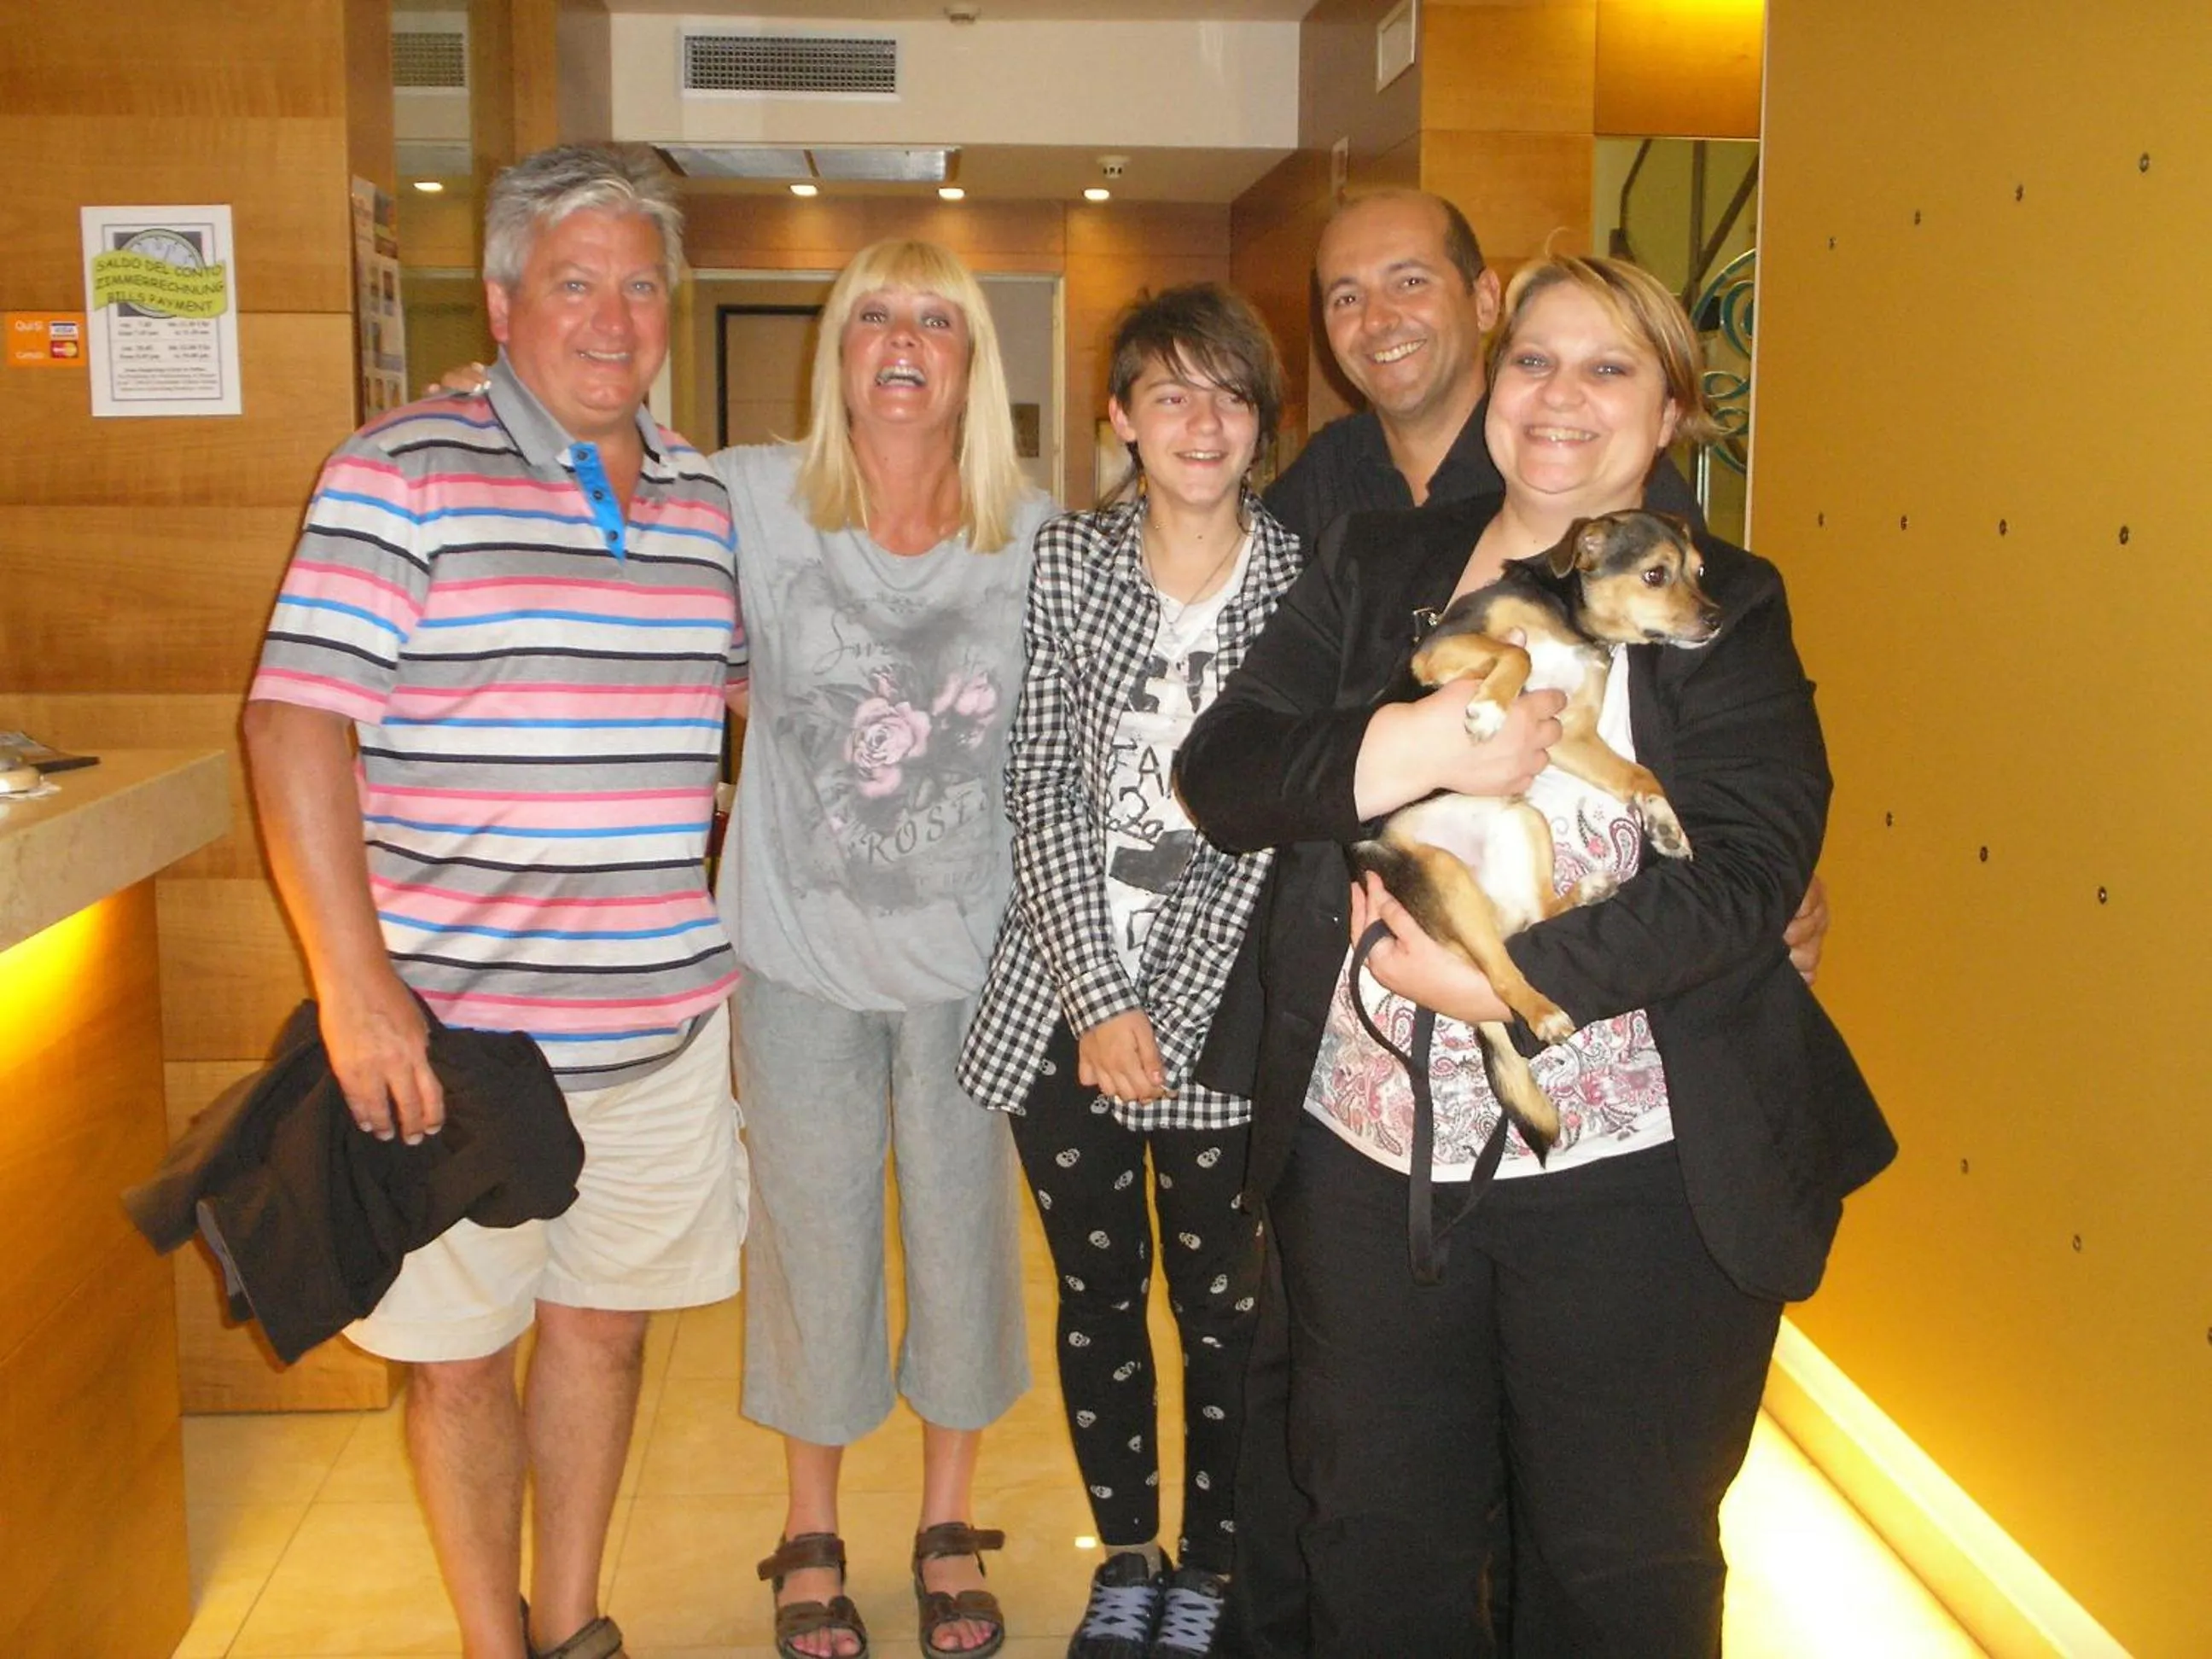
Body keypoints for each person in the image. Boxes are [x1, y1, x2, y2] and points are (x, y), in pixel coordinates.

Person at [1174, 254, 1895, 1656]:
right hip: (1367, 1166)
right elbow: (1231, 769)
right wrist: (1419, 742)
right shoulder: (1377, 561)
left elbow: (1750, 873)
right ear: (1492, 387)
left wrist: (1516, 981)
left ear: (1672, 412)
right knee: (1374, 1542)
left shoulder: (1726, 605)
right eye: (1533, 361)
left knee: (1614, 1563)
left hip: (1637, 1181)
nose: (1561, 395)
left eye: (1610, 367)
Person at [244, 145, 747, 1659]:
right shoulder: (399, 471)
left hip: (658, 1036)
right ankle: (490, 1640)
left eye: (641, 284)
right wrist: (353, 985)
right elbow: (292, 725)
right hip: (453, 1047)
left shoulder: (705, 498)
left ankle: (574, 1622)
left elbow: (743, 703)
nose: (613, 317)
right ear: (505, 297)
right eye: (577, 282)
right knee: (461, 1363)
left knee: (601, 1336)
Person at [713, 240, 1054, 1659]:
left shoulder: (1036, 536)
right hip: (796, 956)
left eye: (936, 318)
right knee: (815, 1242)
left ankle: (948, 1523)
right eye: (873, 316)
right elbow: (581, 498)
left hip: (973, 967)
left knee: (966, 1244)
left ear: (972, 361)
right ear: (837, 352)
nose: (902, 338)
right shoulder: (746, 501)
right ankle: (811, 1532)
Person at [958, 285, 1302, 1659]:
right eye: (1170, 393)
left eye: (1228, 394)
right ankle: (1131, 1558)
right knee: (1100, 1295)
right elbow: (1037, 783)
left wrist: (1162, 1006)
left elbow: (1279, 812)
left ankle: (1213, 1568)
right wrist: (1099, 1001)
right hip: (1062, 995)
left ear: (1260, 422)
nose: (1201, 422)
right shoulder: (1070, 564)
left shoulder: (1302, 578)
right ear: (1120, 419)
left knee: (1222, 1308)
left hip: (1226, 1010)